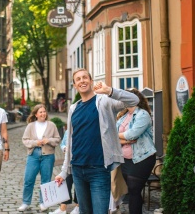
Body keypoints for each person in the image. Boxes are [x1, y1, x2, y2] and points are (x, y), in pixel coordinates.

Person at [55, 68, 139, 214]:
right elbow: (70, 142)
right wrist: (63, 172)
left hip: (99, 170)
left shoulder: (105, 102)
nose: (82, 81)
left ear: (91, 81)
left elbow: (134, 99)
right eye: (78, 79)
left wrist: (109, 90)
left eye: (85, 77)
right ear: (75, 85)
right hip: (77, 169)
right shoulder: (73, 108)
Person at [117, 88, 156, 214]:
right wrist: (124, 139)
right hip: (126, 160)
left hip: (142, 159)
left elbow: (132, 134)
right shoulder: (123, 116)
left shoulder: (143, 115)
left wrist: (119, 136)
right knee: (132, 192)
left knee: (134, 190)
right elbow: (113, 135)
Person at [17, 104, 61, 212]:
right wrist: (35, 142)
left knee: (45, 180)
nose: (43, 114)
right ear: (36, 114)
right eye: (40, 112)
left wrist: (49, 140)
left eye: (44, 111)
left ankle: (43, 202)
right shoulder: (31, 126)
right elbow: (25, 140)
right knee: (28, 179)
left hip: (48, 156)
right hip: (33, 155)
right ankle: (26, 202)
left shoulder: (51, 125)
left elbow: (58, 139)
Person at [49, 130, 79, 214]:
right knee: (66, 184)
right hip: (69, 162)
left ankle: (78, 206)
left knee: (78, 185)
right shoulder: (68, 130)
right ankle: (63, 208)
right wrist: (64, 148)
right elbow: (63, 144)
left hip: (79, 162)